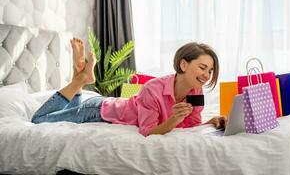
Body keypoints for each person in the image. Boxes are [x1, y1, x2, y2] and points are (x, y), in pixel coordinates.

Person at [31, 39, 227, 136]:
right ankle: (79, 79)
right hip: (99, 111)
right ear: (183, 65)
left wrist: (210, 122)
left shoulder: (196, 92)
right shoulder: (152, 88)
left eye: (210, 71)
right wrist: (174, 118)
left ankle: (80, 74)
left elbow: (189, 127)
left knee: (71, 106)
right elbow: (148, 131)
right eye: (202, 68)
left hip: (115, 104)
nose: (206, 75)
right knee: (38, 119)